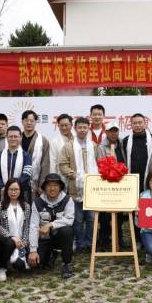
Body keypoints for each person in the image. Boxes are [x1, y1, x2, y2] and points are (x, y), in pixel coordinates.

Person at [58, 117, 99, 253]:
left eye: (85, 127)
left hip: (92, 189)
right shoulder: (68, 146)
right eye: (79, 127)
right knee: (78, 220)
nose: (82, 130)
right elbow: (62, 165)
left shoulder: (93, 145)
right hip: (75, 189)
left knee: (92, 219)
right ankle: (80, 244)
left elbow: (100, 163)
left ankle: (90, 243)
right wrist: (74, 175)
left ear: (88, 129)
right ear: (75, 128)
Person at [28, 173, 75, 279]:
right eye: (49, 185)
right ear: (44, 188)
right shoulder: (37, 202)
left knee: (67, 230)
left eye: (55, 185)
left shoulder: (68, 200)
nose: (52, 188)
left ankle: (66, 264)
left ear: (60, 187)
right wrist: (33, 250)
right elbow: (33, 225)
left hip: (61, 237)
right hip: (44, 239)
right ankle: (50, 255)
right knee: (36, 264)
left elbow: (69, 219)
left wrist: (50, 224)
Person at [0, 178, 32, 281]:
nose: (13, 192)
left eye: (16, 189)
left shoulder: (26, 206)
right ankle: (2, 268)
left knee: (21, 266)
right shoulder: (0, 206)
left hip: (21, 242)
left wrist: (23, 241)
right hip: (6, 240)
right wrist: (11, 237)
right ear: (6, 190)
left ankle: (13, 262)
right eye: (11, 189)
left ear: (20, 191)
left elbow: (27, 226)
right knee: (9, 243)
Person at [97, 121, 127, 249]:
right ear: (106, 132)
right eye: (111, 131)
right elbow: (100, 166)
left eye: (116, 131)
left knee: (119, 215)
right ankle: (104, 241)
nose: (114, 133)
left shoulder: (122, 144)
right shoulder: (101, 147)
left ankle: (119, 239)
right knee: (105, 216)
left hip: (121, 184)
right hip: (107, 184)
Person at [0, 126, 33, 195]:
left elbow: (26, 175)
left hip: (21, 191)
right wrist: (2, 188)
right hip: (2, 191)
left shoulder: (26, 156)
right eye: (10, 136)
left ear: (20, 137)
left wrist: (14, 188)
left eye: (16, 136)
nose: (13, 139)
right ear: (6, 137)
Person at [21, 110, 50, 198]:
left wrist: (42, 184)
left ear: (36, 122)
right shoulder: (16, 139)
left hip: (35, 183)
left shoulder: (43, 140)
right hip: (18, 181)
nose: (29, 123)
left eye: (32, 121)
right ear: (22, 121)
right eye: (26, 120)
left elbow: (45, 164)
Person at [123, 113, 152, 193]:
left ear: (144, 124)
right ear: (131, 125)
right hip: (132, 177)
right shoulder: (125, 141)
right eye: (135, 123)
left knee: (147, 204)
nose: (137, 125)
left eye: (140, 123)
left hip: (149, 176)